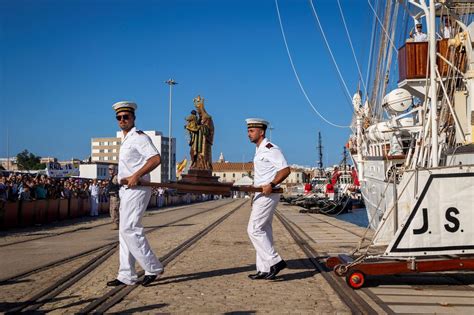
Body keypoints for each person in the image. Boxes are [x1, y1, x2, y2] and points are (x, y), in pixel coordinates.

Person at [107, 101, 164, 287]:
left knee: (129, 228)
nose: (122, 120)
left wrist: (136, 175)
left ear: (133, 118)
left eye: (126, 117)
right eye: (119, 117)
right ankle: (126, 275)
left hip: (137, 188)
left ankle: (153, 267)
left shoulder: (139, 137)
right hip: (125, 189)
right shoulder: (125, 140)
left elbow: (156, 159)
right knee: (124, 233)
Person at [245, 118, 291, 280]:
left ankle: (275, 261)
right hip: (260, 194)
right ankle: (264, 269)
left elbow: (285, 170)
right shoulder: (259, 150)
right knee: (264, 229)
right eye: (248, 130)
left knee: (254, 229)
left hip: (268, 194)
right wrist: (254, 197)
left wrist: (271, 184)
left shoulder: (271, 148)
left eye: (251, 131)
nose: (248, 134)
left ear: (261, 132)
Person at [107, 165, 120, 229]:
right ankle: (114, 222)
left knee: (115, 209)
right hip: (111, 196)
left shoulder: (116, 177)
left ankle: (117, 224)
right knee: (111, 210)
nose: (110, 170)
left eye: (111, 169)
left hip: (115, 196)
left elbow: (120, 186)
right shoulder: (111, 177)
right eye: (109, 169)